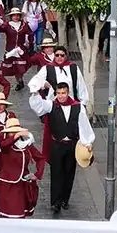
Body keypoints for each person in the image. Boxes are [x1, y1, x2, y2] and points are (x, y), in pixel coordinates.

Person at [30, 81, 95, 214]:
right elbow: (38, 105)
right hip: (57, 145)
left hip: (72, 145)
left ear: (68, 92)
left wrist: (87, 141)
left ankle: (65, 199)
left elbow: (83, 125)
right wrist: (36, 92)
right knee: (56, 173)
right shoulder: (51, 105)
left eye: (63, 93)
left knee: (69, 173)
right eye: (58, 93)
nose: (60, 96)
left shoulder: (78, 107)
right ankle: (55, 202)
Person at [0, 119, 45, 219]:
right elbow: (3, 146)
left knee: (20, 214)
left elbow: (40, 158)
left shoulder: (26, 145)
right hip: (8, 183)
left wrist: (37, 174)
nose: (14, 134)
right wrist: (16, 135)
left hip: (22, 183)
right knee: (8, 213)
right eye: (11, 132)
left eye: (16, 131)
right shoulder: (5, 145)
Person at [26, 45, 90, 105]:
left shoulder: (73, 67)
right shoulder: (47, 68)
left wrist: (83, 103)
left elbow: (81, 86)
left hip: (72, 104)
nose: (59, 57)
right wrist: (43, 83)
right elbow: (35, 80)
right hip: (54, 106)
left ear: (65, 56)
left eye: (62, 55)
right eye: (57, 55)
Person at [0, 8, 34, 91]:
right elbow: (0, 29)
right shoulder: (7, 25)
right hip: (10, 50)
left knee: (20, 66)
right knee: (11, 67)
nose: (16, 17)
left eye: (17, 15)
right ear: (11, 16)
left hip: (21, 50)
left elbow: (30, 34)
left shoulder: (24, 25)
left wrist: (29, 43)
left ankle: (20, 81)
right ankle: (7, 83)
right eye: (14, 15)